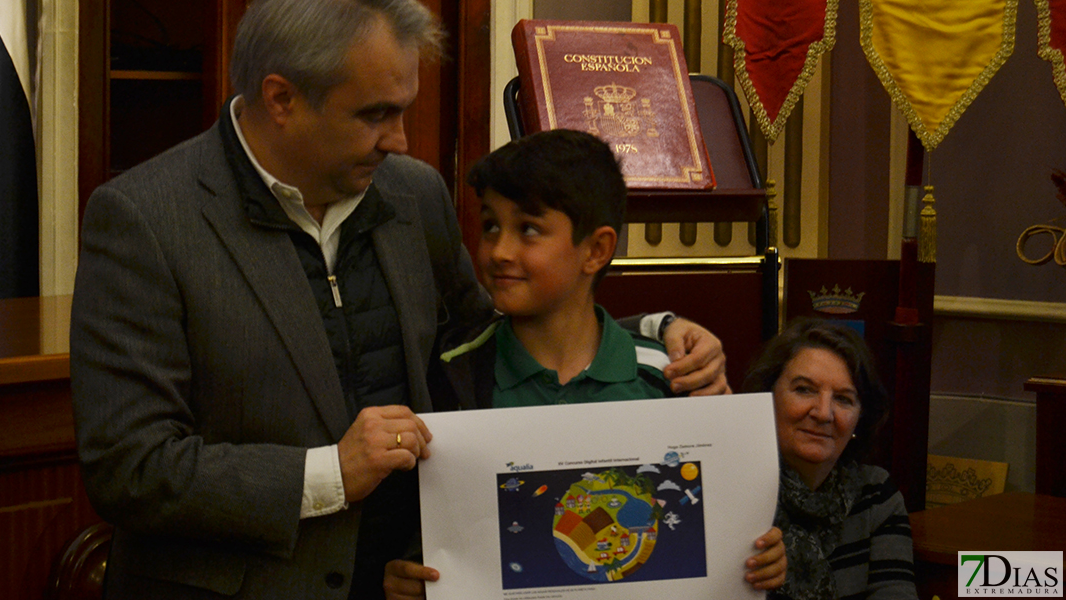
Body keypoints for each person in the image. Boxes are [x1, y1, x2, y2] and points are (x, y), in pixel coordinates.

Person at [69, 1, 729, 599]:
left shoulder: (413, 194)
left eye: (403, 110)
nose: (400, 140)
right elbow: (131, 467)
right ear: (281, 98)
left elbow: (486, 339)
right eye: (375, 114)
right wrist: (330, 474)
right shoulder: (144, 218)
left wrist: (653, 332)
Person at [383, 130, 786, 599]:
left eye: (528, 229)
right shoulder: (451, 378)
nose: (499, 251)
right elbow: (427, 535)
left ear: (595, 250)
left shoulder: (670, 377)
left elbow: (717, 525)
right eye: (490, 225)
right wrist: (408, 578)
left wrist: (757, 557)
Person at [741, 318, 917, 600]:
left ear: (860, 418)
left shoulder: (876, 495)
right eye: (804, 389)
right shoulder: (734, 493)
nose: (824, 413)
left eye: (843, 399)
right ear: (768, 396)